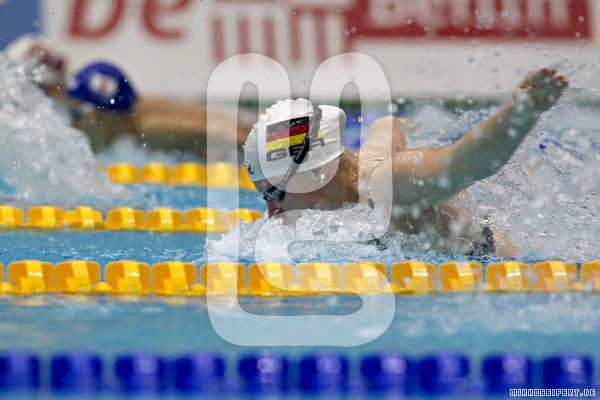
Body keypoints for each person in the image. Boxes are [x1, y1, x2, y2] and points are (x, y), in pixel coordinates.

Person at [243, 68, 569, 256]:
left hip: (499, 269)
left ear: (317, 173)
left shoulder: (389, 184)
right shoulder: (360, 173)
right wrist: (395, 123)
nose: (272, 212)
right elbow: (386, 130)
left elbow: (467, 163)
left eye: (275, 194)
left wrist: (522, 110)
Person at [65, 61, 252, 151]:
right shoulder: (137, 107)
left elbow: (214, 127)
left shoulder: (151, 129)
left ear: (105, 114)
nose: (74, 125)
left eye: (76, 114)